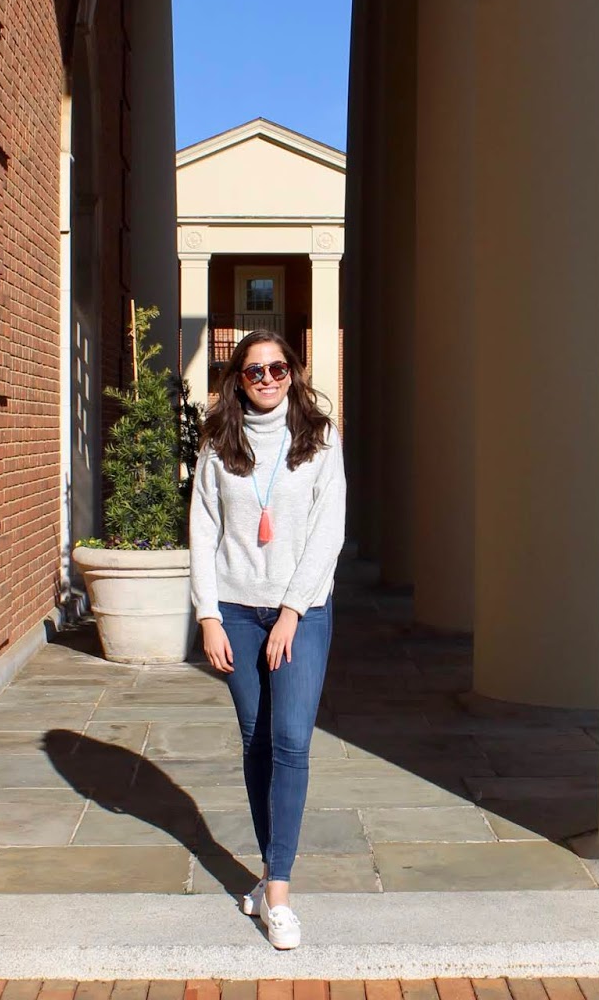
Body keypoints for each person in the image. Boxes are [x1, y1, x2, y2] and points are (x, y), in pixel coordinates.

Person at [188, 328, 345, 952]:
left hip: (300, 612)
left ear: (294, 373)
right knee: (255, 741)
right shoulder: (218, 442)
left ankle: (276, 891)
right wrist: (206, 615)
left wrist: (289, 612)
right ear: (238, 379)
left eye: (278, 369)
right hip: (233, 606)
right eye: (255, 372)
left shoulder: (319, 441)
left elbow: (328, 532)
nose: (268, 380)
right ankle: (269, 872)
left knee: (291, 742)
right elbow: (202, 528)